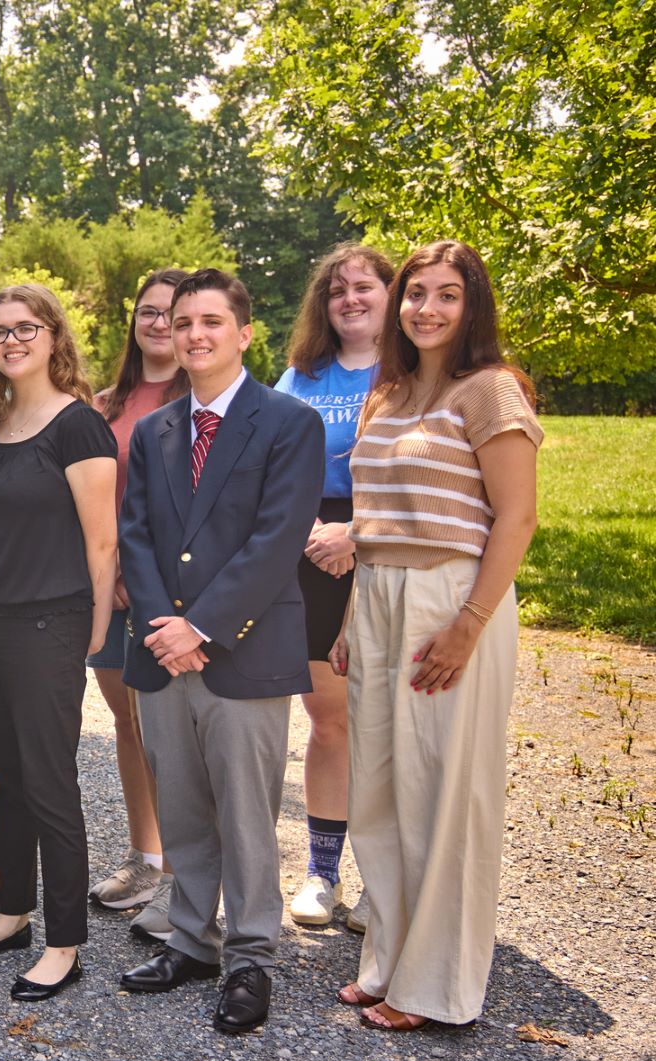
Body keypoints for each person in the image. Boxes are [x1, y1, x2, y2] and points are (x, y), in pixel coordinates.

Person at [332, 240, 541, 1032]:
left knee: (443, 795)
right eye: (415, 293)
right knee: (378, 792)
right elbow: (372, 522)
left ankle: (436, 986)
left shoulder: (490, 391)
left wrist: (468, 624)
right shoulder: (384, 395)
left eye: (446, 294)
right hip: (379, 592)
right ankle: (386, 959)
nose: (426, 308)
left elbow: (516, 518)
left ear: (472, 305)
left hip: (451, 598)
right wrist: (356, 614)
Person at [116, 268, 324, 1036]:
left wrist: (199, 627)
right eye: (182, 321)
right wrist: (162, 631)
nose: (194, 334)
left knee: (245, 812)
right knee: (183, 806)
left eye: (211, 321)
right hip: (162, 654)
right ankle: (192, 939)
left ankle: (250, 956)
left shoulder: (288, 422)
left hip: (241, 651)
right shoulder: (154, 430)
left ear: (243, 332)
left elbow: (275, 543)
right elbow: (135, 533)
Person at [0, 285, 117, 1002]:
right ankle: (13, 912)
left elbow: (102, 539)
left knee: (49, 784)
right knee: (5, 778)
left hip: (52, 622)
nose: (11, 340)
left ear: (53, 337)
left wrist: (97, 630)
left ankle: (65, 942)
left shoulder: (79, 426)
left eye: (26, 327)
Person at [273, 243, 396, 932]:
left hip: (384, 548)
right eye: (337, 290)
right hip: (309, 548)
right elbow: (270, 465)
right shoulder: (301, 376)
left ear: (390, 295)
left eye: (365, 286)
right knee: (329, 719)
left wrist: (360, 533)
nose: (350, 298)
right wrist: (310, 532)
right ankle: (323, 871)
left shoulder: (411, 372)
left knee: (388, 723)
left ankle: (387, 878)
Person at [85, 268, 188, 943]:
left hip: (173, 592)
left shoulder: (208, 401)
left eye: (173, 315)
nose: (158, 324)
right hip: (107, 584)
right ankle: (145, 857)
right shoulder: (104, 404)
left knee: (175, 734)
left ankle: (188, 869)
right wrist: (112, 570)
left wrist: (145, 576)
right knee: (127, 724)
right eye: (148, 313)